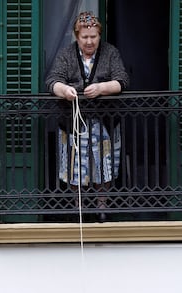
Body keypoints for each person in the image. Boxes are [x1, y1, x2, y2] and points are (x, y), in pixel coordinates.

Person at [45, 11, 129, 221]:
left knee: (104, 166)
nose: (90, 41)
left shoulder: (110, 53)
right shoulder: (66, 54)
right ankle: (78, 207)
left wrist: (101, 88)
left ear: (99, 35)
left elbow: (122, 81)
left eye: (94, 37)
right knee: (74, 166)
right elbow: (52, 81)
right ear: (77, 36)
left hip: (105, 122)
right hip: (74, 121)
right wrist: (64, 91)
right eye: (85, 37)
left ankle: (102, 207)